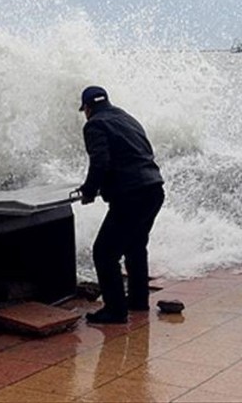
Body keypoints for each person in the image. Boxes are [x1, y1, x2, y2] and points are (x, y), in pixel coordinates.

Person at [76, 85, 164, 324]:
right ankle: (138, 300)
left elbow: (100, 161)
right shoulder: (127, 118)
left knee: (104, 253)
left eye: (84, 109)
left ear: (88, 108)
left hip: (132, 195)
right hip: (154, 189)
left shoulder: (94, 124)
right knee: (135, 246)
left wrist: (89, 191)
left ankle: (115, 310)